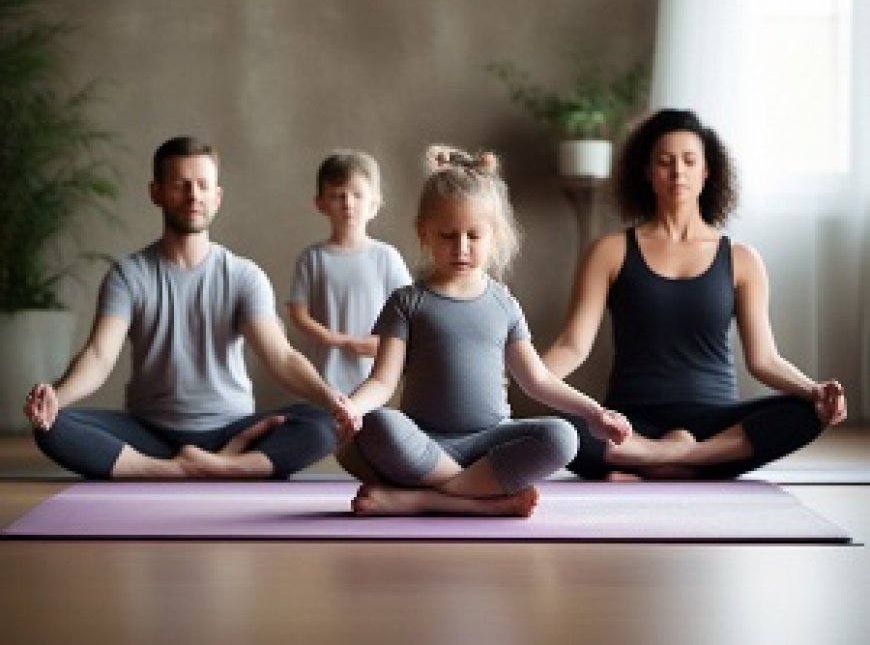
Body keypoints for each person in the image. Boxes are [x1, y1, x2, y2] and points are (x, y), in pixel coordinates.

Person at [23, 136, 354, 480]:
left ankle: (214, 464)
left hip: (233, 430)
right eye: (181, 185)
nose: (193, 195)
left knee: (321, 424)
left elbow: (281, 357)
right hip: (149, 433)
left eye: (202, 185)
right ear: (157, 193)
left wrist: (331, 398)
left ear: (217, 196)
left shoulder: (244, 275)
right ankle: (182, 469)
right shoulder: (128, 275)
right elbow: (98, 356)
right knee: (53, 426)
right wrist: (54, 399)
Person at [543, 108, 848, 480]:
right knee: (551, 430)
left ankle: (664, 459)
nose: (677, 173)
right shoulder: (610, 251)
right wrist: (519, 381)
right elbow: (573, 345)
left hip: (716, 423)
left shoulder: (741, 259)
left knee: (805, 413)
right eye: (665, 162)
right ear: (646, 171)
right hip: (629, 424)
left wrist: (816, 392)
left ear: (707, 172)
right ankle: (683, 460)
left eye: (689, 161)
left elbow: (764, 360)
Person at [334, 145, 632, 517]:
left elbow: (536, 379)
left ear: (496, 237)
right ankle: (481, 500)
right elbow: (382, 381)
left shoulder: (504, 303)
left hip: (489, 444)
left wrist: (593, 412)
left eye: (473, 236)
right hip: (426, 445)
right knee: (380, 425)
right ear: (424, 232)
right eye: (447, 235)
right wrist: (353, 407)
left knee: (562, 436)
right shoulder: (406, 302)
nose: (461, 247)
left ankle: (425, 500)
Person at [287, 150, 412, 395]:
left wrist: (382, 345)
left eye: (357, 195)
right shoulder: (312, 258)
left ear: (374, 204)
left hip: (377, 381)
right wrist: (336, 340)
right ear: (320, 203)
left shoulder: (386, 257)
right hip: (324, 380)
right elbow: (298, 313)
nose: (348, 204)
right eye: (337, 196)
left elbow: (408, 314)